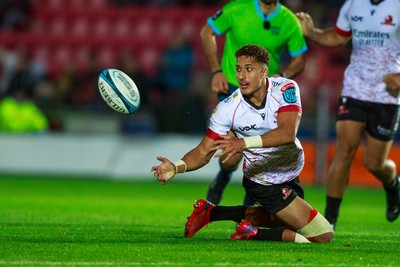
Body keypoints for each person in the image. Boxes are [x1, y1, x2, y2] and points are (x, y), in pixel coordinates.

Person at [151, 44, 334, 243]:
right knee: (322, 235)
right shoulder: (227, 109)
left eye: (249, 69)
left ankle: (211, 213)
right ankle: (251, 234)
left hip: (289, 172)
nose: (241, 76)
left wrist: (242, 143)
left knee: (281, 221)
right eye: (238, 69)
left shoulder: (285, 88)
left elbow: (287, 133)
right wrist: (176, 167)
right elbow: (203, 151)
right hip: (264, 180)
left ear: (264, 71)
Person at [296, 0, 400, 228]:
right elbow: (338, 36)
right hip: (354, 90)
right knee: (344, 150)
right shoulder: (353, 4)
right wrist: (312, 33)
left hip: (387, 95)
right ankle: (329, 220)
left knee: (374, 163)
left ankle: (393, 184)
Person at [200, 0, 308, 206]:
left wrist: (282, 76)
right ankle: (223, 177)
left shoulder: (289, 21)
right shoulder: (237, 9)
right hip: (232, 89)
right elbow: (207, 32)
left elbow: (300, 60)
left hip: (268, 97)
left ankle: (249, 207)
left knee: (264, 150)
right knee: (231, 158)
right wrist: (216, 70)